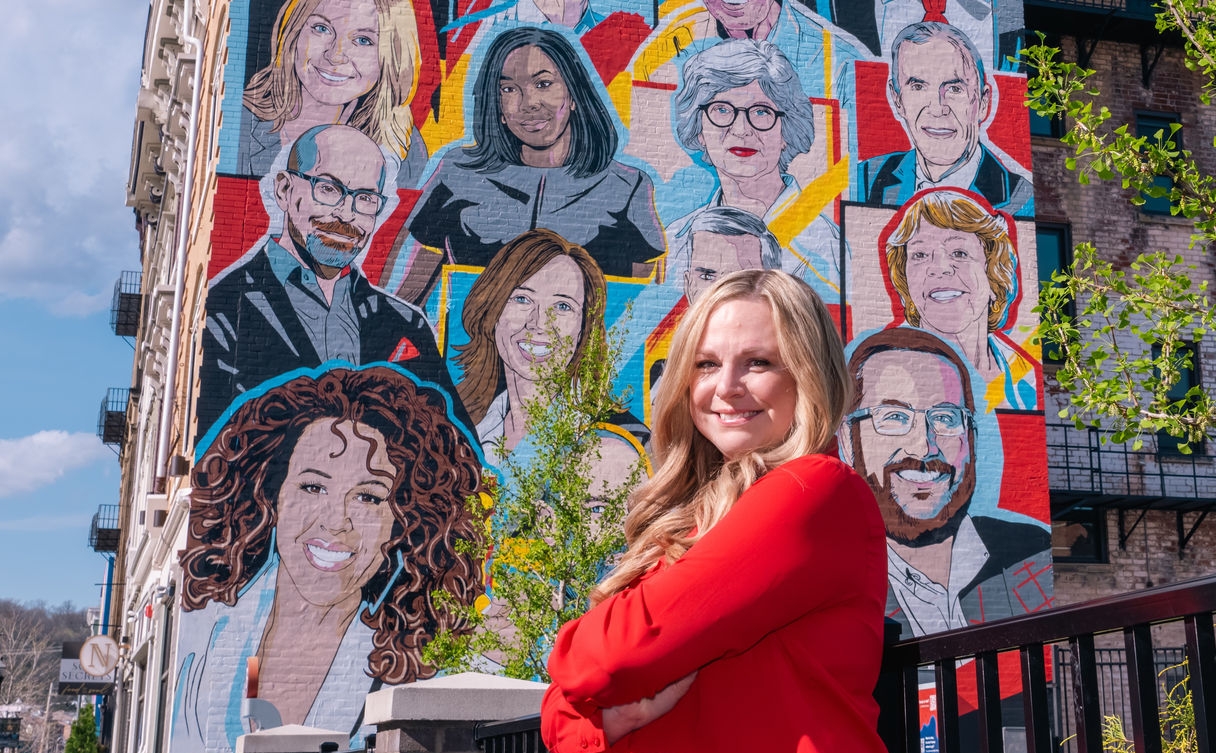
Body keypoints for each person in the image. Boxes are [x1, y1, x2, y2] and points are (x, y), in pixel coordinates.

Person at [542, 270, 888, 752]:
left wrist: (585, 659)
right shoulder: (689, 519)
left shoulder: (817, 491)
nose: (726, 386)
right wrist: (615, 718)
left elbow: (611, 658)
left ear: (809, 375)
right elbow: (559, 719)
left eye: (758, 362)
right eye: (706, 364)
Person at [172, 366, 484, 752]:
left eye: (368, 497)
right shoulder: (205, 639)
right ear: (271, 496)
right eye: (313, 486)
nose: (336, 522)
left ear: (401, 523)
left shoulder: (418, 663)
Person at [198, 125, 463, 436]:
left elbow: (455, 443)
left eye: (365, 198)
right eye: (328, 189)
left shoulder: (405, 324)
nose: (347, 214)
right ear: (285, 190)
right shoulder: (226, 308)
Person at [397, 26, 665, 305]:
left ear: (573, 95)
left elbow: (640, 311)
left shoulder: (626, 187)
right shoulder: (457, 173)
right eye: (509, 89)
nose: (529, 104)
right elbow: (404, 300)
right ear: (497, 107)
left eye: (543, 84)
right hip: (471, 346)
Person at [838, 327, 1052, 637]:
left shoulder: (1032, 552)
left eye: (945, 418)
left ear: (971, 439)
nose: (924, 446)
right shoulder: (833, 577)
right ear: (848, 437)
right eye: (894, 417)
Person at [667, 39, 847, 298]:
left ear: (787, 131)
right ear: (699, 131)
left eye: (761, 112)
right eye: (722, 110)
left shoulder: (829, 249)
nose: (741, 130)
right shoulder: (676, 241)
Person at [454, 228, 633, 465]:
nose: (539, 323)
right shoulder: (462, 430)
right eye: (522, 299)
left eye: (562, 306)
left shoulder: (614, 441)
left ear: (583, 330)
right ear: (493, 312)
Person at [238, 0, 428, 186]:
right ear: (293, 31)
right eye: (321, 28)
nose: (335, 56)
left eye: (363, 40)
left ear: (393, 58)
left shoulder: (404, 151)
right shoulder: (240, 125)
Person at [858, 22, 1033, 217]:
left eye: (954, 89)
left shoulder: (1021, 201)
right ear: (897, 99)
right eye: (918, 87)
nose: (937, 108)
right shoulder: (865, 180)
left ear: (983, 103)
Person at [884, 188, 1038, 409]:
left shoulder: (1022, 376)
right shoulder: (886, 368)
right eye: (920, 255)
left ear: (992, 272)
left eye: (959, 253)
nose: (939, 268)